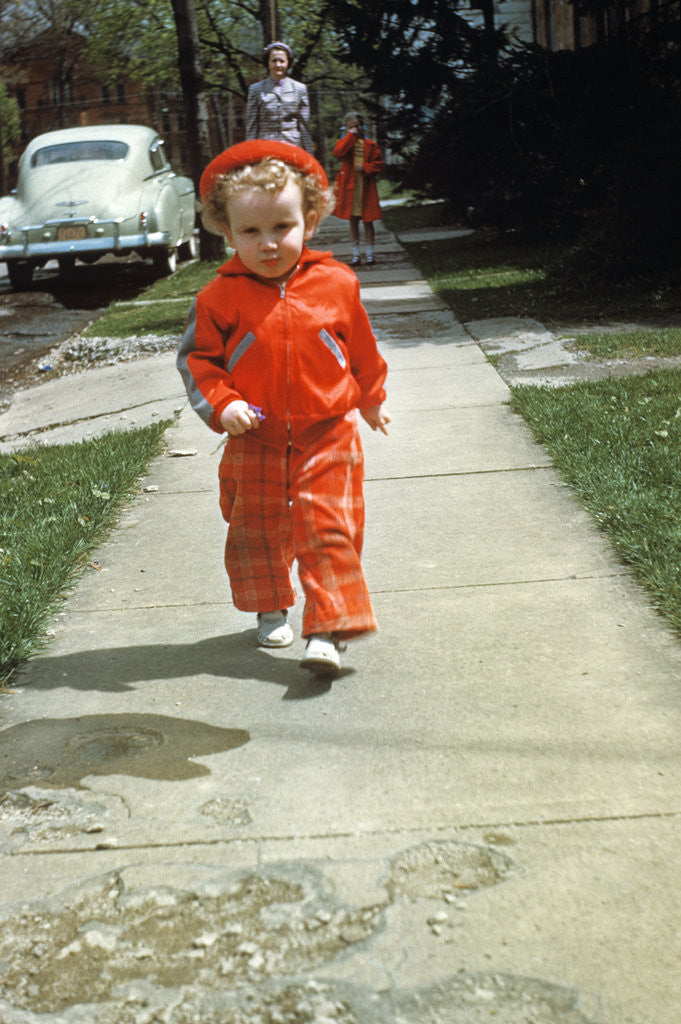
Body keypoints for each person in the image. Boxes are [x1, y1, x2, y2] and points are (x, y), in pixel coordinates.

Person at [176, 140, 390, 678]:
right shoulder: (217, 299)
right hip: (256, 434)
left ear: (310, 221)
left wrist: (371, 398)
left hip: (328, 429)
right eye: (250, 231)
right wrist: (222, 405)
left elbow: (361, 349)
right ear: (227, 233)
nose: (268, 243)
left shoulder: (337, 284)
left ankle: (328, 628)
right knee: (256, 527)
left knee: (329, 524)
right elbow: (200, 362)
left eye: (282, 226)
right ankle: (270, 604)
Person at [332, 112, 383, 267]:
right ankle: (355, 254)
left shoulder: (370, 145)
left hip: (365, 188)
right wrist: (350, 136)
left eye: (358, 125)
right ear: (346, 128)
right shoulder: (345, 143)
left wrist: (366, 167)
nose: (356, 129)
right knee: (353, 220)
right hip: (350, 188)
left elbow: (379, 165)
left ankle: (370, 254)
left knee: (368, 220)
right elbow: (338, 153)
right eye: (352, 126)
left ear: (363, 126)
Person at [246, 41, 313, 153]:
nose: (278, 65)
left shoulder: (300, 88)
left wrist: (309, 154)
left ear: (288, 63)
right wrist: (250, 154)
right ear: (268, 63)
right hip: (265, 148)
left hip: (293, 147)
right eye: (274, 61)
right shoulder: (255, 89)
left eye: (282, 61)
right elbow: (252, 125)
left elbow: (304, 125)